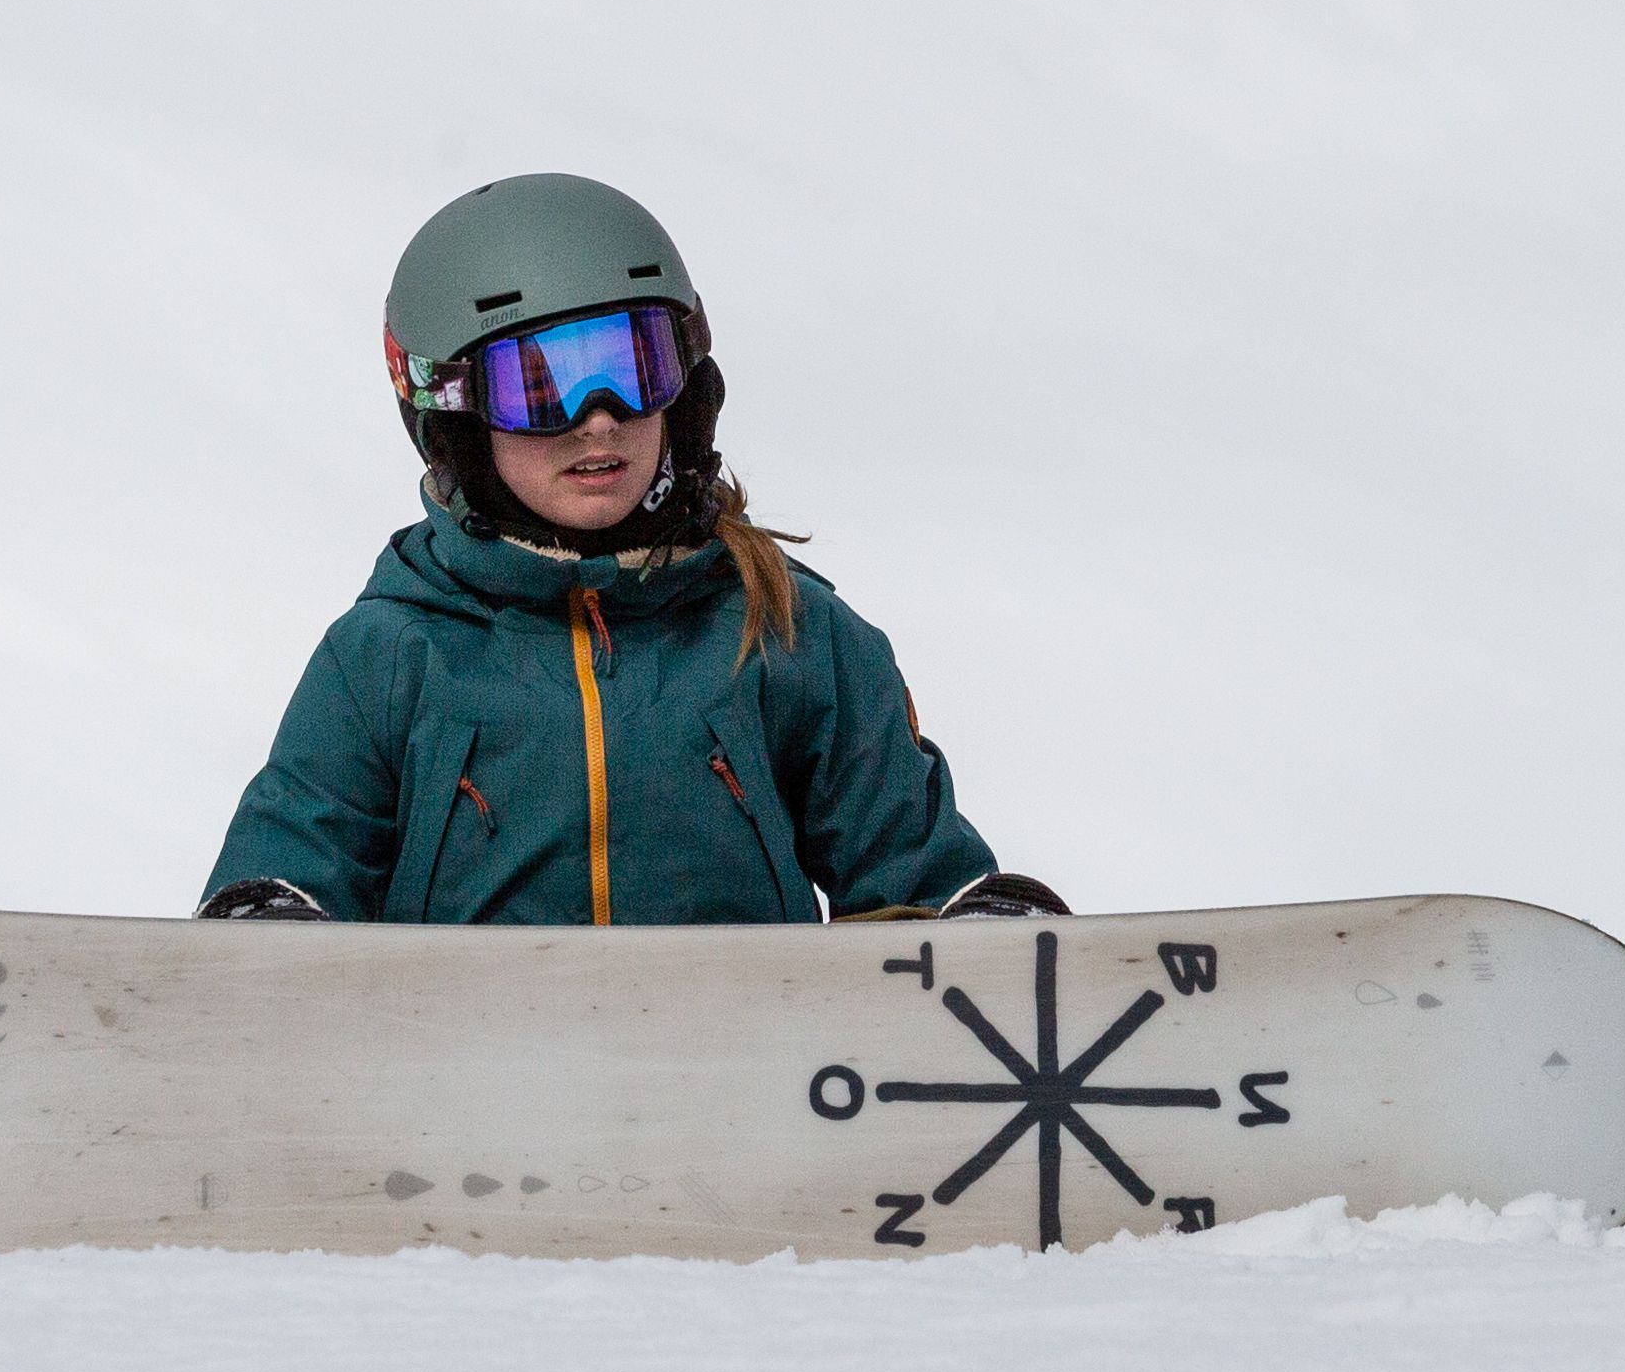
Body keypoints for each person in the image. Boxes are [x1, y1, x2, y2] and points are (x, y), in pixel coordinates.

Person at [200, 172, 1056, 929]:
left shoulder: (782, 629)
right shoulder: (388, 658)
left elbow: (909, 871)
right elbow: (297, 851)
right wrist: (272, 924)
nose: (599, 415)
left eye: (634, 366)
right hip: (469, 1092)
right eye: (539, 385)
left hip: (738, 1090)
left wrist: (972, 923)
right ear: (455, 419)